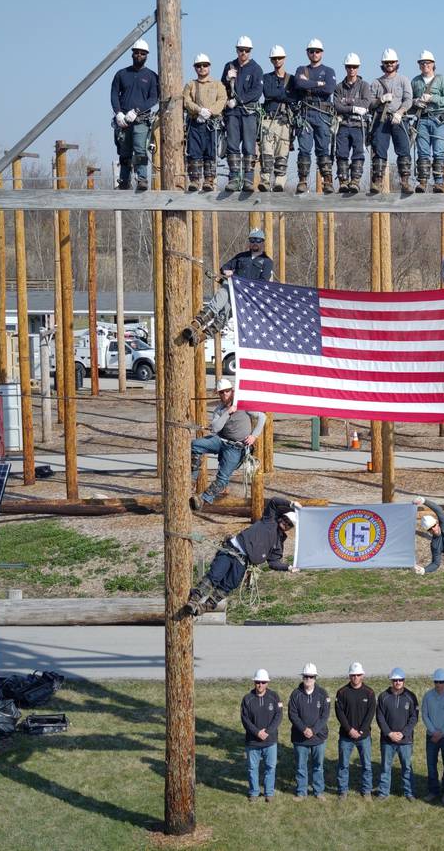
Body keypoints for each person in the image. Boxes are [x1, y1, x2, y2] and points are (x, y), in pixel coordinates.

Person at [184, 497, 301, 615]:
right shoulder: (269, 519)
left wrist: (288, 567)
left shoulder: (279, 543)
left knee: (229, 585)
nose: (285, 523)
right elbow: (274, 502)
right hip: (231, 550)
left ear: (290, 528)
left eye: (289, 524)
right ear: (282, 516)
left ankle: (205, 607)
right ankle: (194, 600)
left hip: (243, 562)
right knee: (215, 575)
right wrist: (291, 503)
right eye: (286, 519)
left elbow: (273, 563)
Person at [182, 227, 272, 347]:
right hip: (229, 288)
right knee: (216, 304)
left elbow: (262, 282)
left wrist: (240, 281)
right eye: (252, 240)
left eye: (258, 240)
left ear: (263, 242)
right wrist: (227, 272)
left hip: (243, 297)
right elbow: (224, 267)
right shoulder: (241, 256)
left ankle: (200, 338)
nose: (255, 243)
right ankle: (193, 327)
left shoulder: (267, 262)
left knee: (223, 317)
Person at [189, 378, 265, 510]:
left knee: (223, 478)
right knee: (195, 445)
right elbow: (216, 428)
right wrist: (227, 412)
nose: (225, 394)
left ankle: (203, 498)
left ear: (232, 391)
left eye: (227, 391)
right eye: (221, 392)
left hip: (236, 448)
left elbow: (262, 417)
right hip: (220, 441)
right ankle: (192, 479)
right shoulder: (219, 410)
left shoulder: (243, 405)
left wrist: (254, 436)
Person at [110, 38, 158, 191]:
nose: (139, 55)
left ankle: (142, 179)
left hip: (140, 120)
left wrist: (137, 110)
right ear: (132, 54)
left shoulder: (151, 76)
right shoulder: (122, 74)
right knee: (124, 152)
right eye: (136, 53)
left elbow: (153, 98)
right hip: (123, 121)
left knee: (140, 150)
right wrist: (118, 113)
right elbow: (114, 94)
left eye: (142, 53)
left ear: (146, 55)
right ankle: (124, 180)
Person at [293, 39, 337, 194]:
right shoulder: (301, 69)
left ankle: (327, 181)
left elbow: (329, 89)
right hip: (305, 114)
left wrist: (310, 84)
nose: (314, 54)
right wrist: (319, 84)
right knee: (304, 149)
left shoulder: (329, 71)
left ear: (322, 53)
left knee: (323, 149)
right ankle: (303, 181)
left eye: (317, 51)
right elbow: (298, 85)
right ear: (307, 53)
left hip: (323, 114)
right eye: (311, 51)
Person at [221, 35, 264, 193]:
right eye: (241, 50)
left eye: (246, 50)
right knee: (232, 146)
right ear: (237, 50)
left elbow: (257, 92)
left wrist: (239, 101)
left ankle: (248, 179)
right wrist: (227, 79)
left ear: (250, 51)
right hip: (232, 113)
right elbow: (222, 88)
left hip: (248, 113)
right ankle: (234, 178)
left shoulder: (256, 69)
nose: (243, 53)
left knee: (248, 146)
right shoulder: (229, 66)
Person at [368, 49, 414, 194]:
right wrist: (380, 100)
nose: (389, 64)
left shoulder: (403, 80)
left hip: (398, 119)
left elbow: (408, 100)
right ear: (382, 64)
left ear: (397, 63)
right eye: (387, 62)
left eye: (392, 62)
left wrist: (400, 112)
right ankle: (378, 181)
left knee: (403, 149)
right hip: (381, 118)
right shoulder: (376, 83)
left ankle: (405, 182)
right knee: (379, 149)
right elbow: (369, 103)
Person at [183, 53, 227, 193]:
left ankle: (209, 179)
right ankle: (195, 180)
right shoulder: (190, 85)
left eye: (205, 65)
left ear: (209, 67)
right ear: (195, 68)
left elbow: (222, 99)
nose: (202, 68)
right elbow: (186, 100)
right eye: (199, 66)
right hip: (196, 123)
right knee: (194, 152)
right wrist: (199, 110)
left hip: (212, 124)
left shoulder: (217, 84)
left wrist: (211, 111)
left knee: (210, 151)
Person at [410, 50, 444, 193]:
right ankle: (422, 182)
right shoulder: (415, 81)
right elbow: (409, 102)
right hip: (422, 119)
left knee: (439, 152)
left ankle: (439, 183)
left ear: (433, 64)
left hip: (439, 120)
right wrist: (415, 102)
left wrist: (432, 98)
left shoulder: (442, 80)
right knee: (423, 152)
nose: (425, 65)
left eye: (427, 63)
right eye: (422, 63)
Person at [288, 662, 330, 801]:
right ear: (303, 677)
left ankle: (318, 792)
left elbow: (325, 715)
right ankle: (301, 792)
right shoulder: (295, 694)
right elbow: (292, 714)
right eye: (306, 676)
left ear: (315, 678)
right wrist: (304, 729)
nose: (308, 679)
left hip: (318, 737)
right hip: (300, 738)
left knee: (318, 766)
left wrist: (314, 730)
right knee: (301, 766)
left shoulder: (323, 694)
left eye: (311, 677)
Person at [334, 661, 376, 800]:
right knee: (343, 765)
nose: (355, 677)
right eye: (353, 675)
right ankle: (343, 791)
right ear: (349, 676)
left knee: (367, 766)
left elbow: (370, 714)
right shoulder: (342, 692)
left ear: (362, 675)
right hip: (346, 737)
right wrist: (350, 730)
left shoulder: (369, 693)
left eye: (358, 675)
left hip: (364, 737)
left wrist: (361, 731)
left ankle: (367, 791)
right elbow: (340, 713)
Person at [376, 667, 419, 801]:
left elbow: (414, 717)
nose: (398, 682)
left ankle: (409, 792)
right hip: (387, 740)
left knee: (407, 767)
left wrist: (403, 733)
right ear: (391, 681)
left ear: (404, 681)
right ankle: (383, 792)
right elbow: (380, 717)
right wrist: (389, 733)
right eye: (395, 680)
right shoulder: (383, 696)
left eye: (400, 680)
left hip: (405, 740)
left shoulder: (411, 696)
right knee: (385, 767)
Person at [241, 668, 283, 802]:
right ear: (254, 682)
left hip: (270, 741)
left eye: (263, 682)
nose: (260, 685)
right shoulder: (247, 699)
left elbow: (278, 716)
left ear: (267, 683)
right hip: (252, 742)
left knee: (271, 767)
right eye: (258, 682)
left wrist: (268, 731)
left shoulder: (274, 697)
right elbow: (245, 719)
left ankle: (268, 792)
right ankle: (254, 792)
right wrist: (257, 732)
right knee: (252, 768)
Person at [333, 53, 371, 194]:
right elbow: (337, 106)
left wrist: (347, 101)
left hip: (359, 126)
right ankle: (343, 181)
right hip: (343, 125)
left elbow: (366, 103)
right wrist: (354, 107)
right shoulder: (338, 87)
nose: (352, 69)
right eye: (349, 67)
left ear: (358, 68)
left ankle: (355, 181)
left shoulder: (364, 86)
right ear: (345, 68)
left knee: (358, 153)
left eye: (354, 67)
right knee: (341, 153)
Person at [259, 45, 295, 193]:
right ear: (271, 60)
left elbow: (294, 97)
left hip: (284, 120)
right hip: (268, 120)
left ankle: (280, 181)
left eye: (279, 58)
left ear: (284, 59)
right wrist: (284, 95)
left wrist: (279, 95)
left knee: (282, 153)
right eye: (274, 58)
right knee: (266, 152)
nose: (277, 60)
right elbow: (268, 93)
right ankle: (265, 181)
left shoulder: (291, 79)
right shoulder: (266, 78)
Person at [421, 668, 444, 804]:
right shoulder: (428, 696)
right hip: (431, 737)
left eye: (441, 682)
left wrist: (441, 732)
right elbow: (424, 715)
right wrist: (433, 731)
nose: (439, 684)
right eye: (437, 681)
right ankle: (433, 791)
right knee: (431, 765)